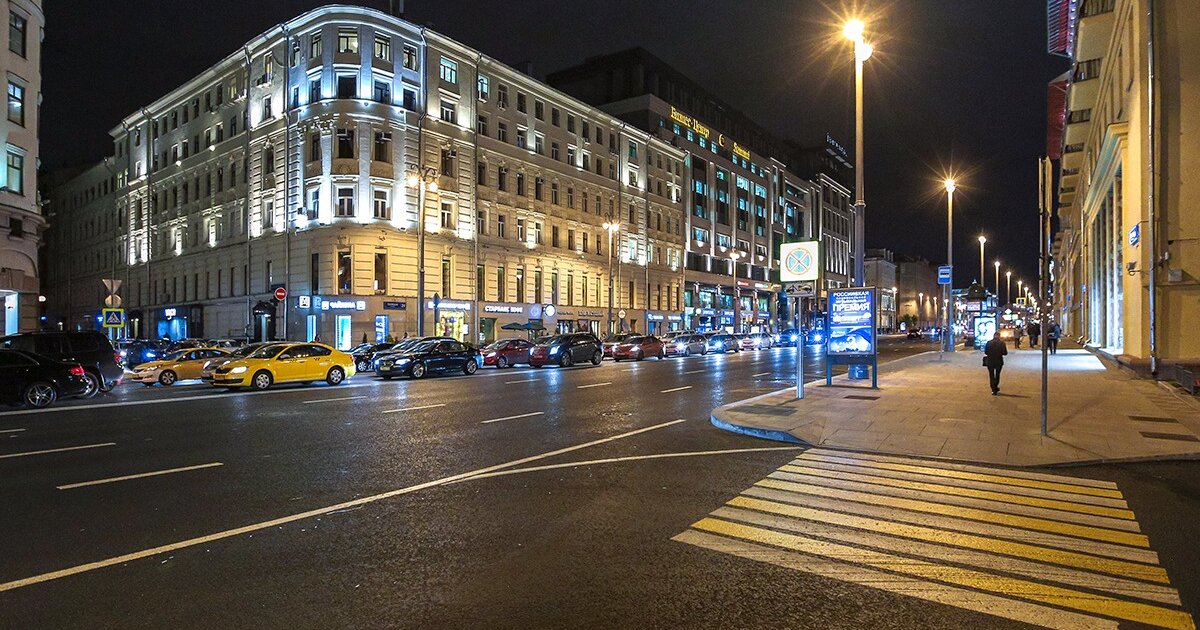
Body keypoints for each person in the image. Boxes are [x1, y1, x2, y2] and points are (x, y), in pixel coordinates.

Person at [984, 331, 1008, 395]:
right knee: (997, 375)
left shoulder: (989, 343)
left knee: (991, 375)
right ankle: (995, 387)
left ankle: (993, 389)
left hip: (990, 361)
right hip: (998, 361)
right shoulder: (1002, 343)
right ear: (999, 336)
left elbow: (986, 352)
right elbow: (1005, 353)